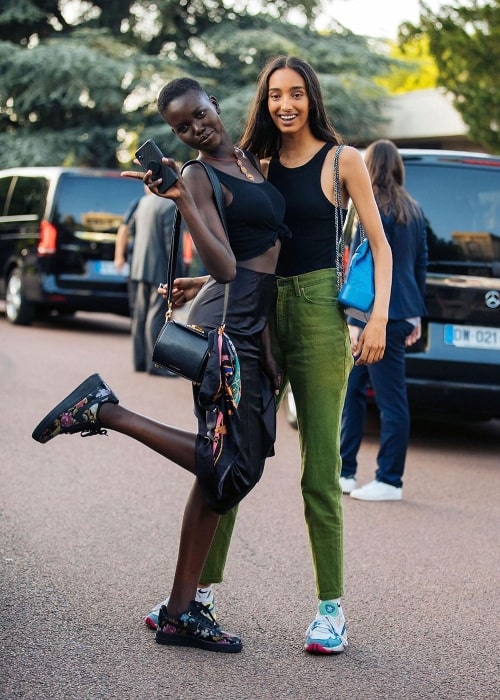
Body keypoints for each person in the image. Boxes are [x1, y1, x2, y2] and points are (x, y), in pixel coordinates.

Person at [31, 76, 289, 654]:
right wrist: (181, 200)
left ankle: (178, 612)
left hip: (250, 329)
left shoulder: (248, 158)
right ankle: (108, 412)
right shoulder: (198, 177)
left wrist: (270, 349)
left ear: (214, 104)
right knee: (232, 469)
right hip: (224, 331)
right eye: (181, 127)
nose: (196, 128)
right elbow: (224, 267)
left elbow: (261, 260)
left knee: (219, 476)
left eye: (199, 114)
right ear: (176, 134)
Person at [145, 56, 393, 655]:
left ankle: (330, 610)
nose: (286, 104)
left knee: (318, 470)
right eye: (275, 94)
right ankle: (197, 598)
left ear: (312, 98)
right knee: (233, 453)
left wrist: (379, 317)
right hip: (254, 316)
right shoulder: (253, 163)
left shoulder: (344, 160)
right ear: (263, 100)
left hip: (315, 315)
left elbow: (380, 247)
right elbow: (247, 250)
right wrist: (200, 287)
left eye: (296, 93)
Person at [340, 139, 428, 501]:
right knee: (372, 395)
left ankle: (388, 480)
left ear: (369, 166)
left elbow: (365, 267)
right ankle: (346, 471)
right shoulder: (415, 209)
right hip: (402, 313)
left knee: (368, 397)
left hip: (377, 317)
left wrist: (358, 321)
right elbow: (420, 265)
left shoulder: (368, 206)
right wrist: (417, 316)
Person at [127, 187, 177, 376]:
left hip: (140, 265)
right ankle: (155, 365)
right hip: (159, 267)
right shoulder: (169, 205)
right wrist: (177, 273)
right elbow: (170, 245)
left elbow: (131, 229)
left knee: (140, 315)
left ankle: (139, 361)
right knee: (156, 316)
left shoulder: (144, 202)